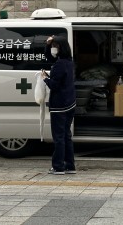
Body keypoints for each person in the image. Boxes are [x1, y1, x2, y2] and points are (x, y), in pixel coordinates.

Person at [42, 35, 76, 175]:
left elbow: (55, 85)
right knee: (66, 136)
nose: (53, 49)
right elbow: (50, 58)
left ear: (61, 48)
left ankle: (58, 167)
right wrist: (47, 45)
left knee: (59, 137)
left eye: (55, 46)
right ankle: (70, 166)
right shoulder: (68, 62)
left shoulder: (60, 64)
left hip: (60, 105)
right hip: (70, 103)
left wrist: (45, 79)